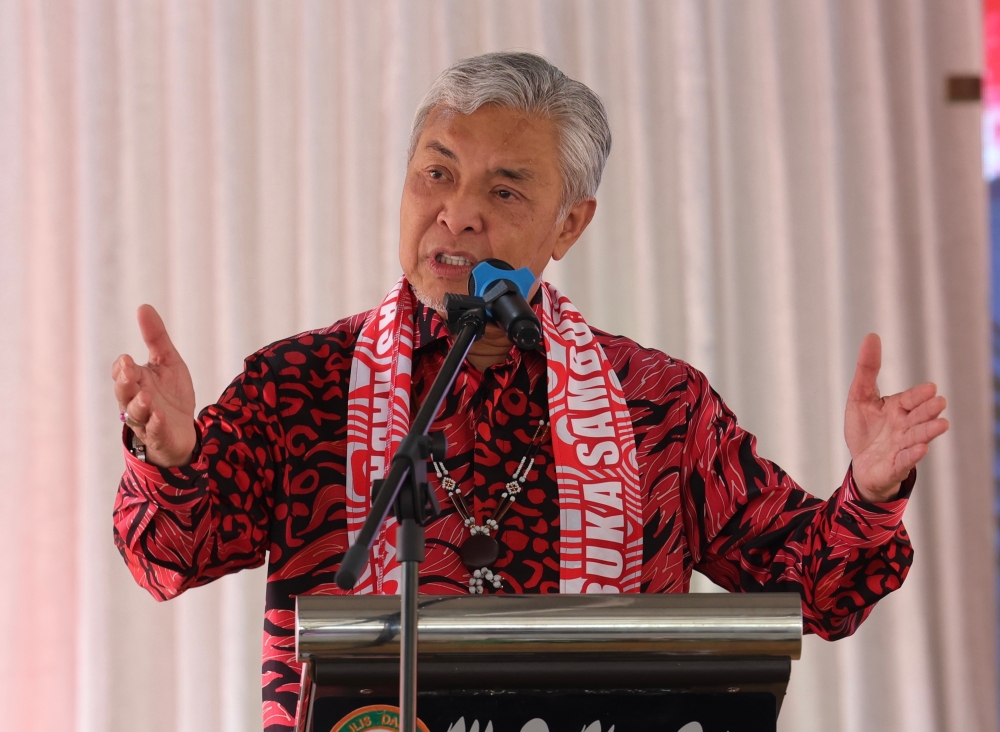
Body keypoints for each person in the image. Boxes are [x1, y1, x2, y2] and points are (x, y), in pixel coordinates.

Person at [112, 52, 948, 732]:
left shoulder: (658, 401)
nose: (456, 214)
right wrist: (171, 455)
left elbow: (814, 588)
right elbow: (165, 559)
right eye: (436, 174)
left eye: (504, 191)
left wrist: (869, 494)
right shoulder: (300, 385)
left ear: (569, 225)